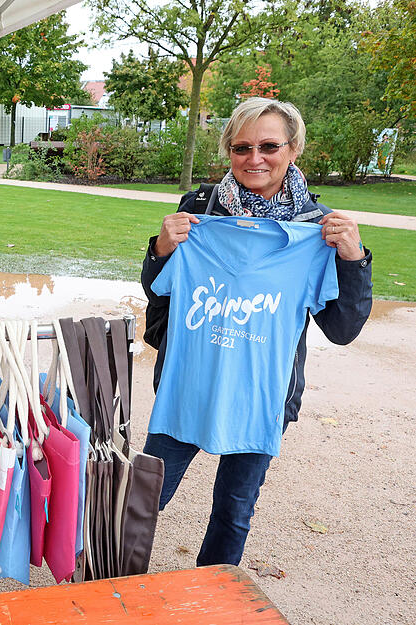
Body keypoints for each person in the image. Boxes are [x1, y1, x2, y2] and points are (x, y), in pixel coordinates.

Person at [140, 97, 373, 567]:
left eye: (268, 146)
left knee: (233, 512)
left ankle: (215, 602)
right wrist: (161, 249)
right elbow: (160, 290)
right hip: (189, 381)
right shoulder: (199, 209)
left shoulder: (317, 230)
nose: (254, 159)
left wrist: (352, 259)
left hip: (260, 396)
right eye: (241, 147)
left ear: (293, 149)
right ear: (228, 151)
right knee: (140, 499)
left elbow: (343, 328)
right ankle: (105, 582)